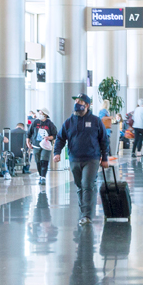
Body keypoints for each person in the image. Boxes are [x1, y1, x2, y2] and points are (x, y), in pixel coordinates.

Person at [52, 94, 110, 224]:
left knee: (87, 185)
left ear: (87, 105)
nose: (77, 103)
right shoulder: (69, 122)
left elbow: (104, 140)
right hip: (74, 159)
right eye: (76, 101)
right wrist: (57, 153)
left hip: (92, 158)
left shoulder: (96, 121)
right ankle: (84, 210)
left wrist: (105, 158)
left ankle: (87, 215)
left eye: (80, 101)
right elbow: (60, 138)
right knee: (80, 186)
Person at [30, 109, 57, 182]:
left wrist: (49, 138)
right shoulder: (35, 122)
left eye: (40, 113)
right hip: (36, 145)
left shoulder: (50, 124)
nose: (39, 114)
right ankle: (40, 174)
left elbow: (55, 135)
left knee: (44, 160)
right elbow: (29, 133)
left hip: (46, 145)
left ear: (45, 115)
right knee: (38, 161)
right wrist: (28, 142)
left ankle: (43, 177)